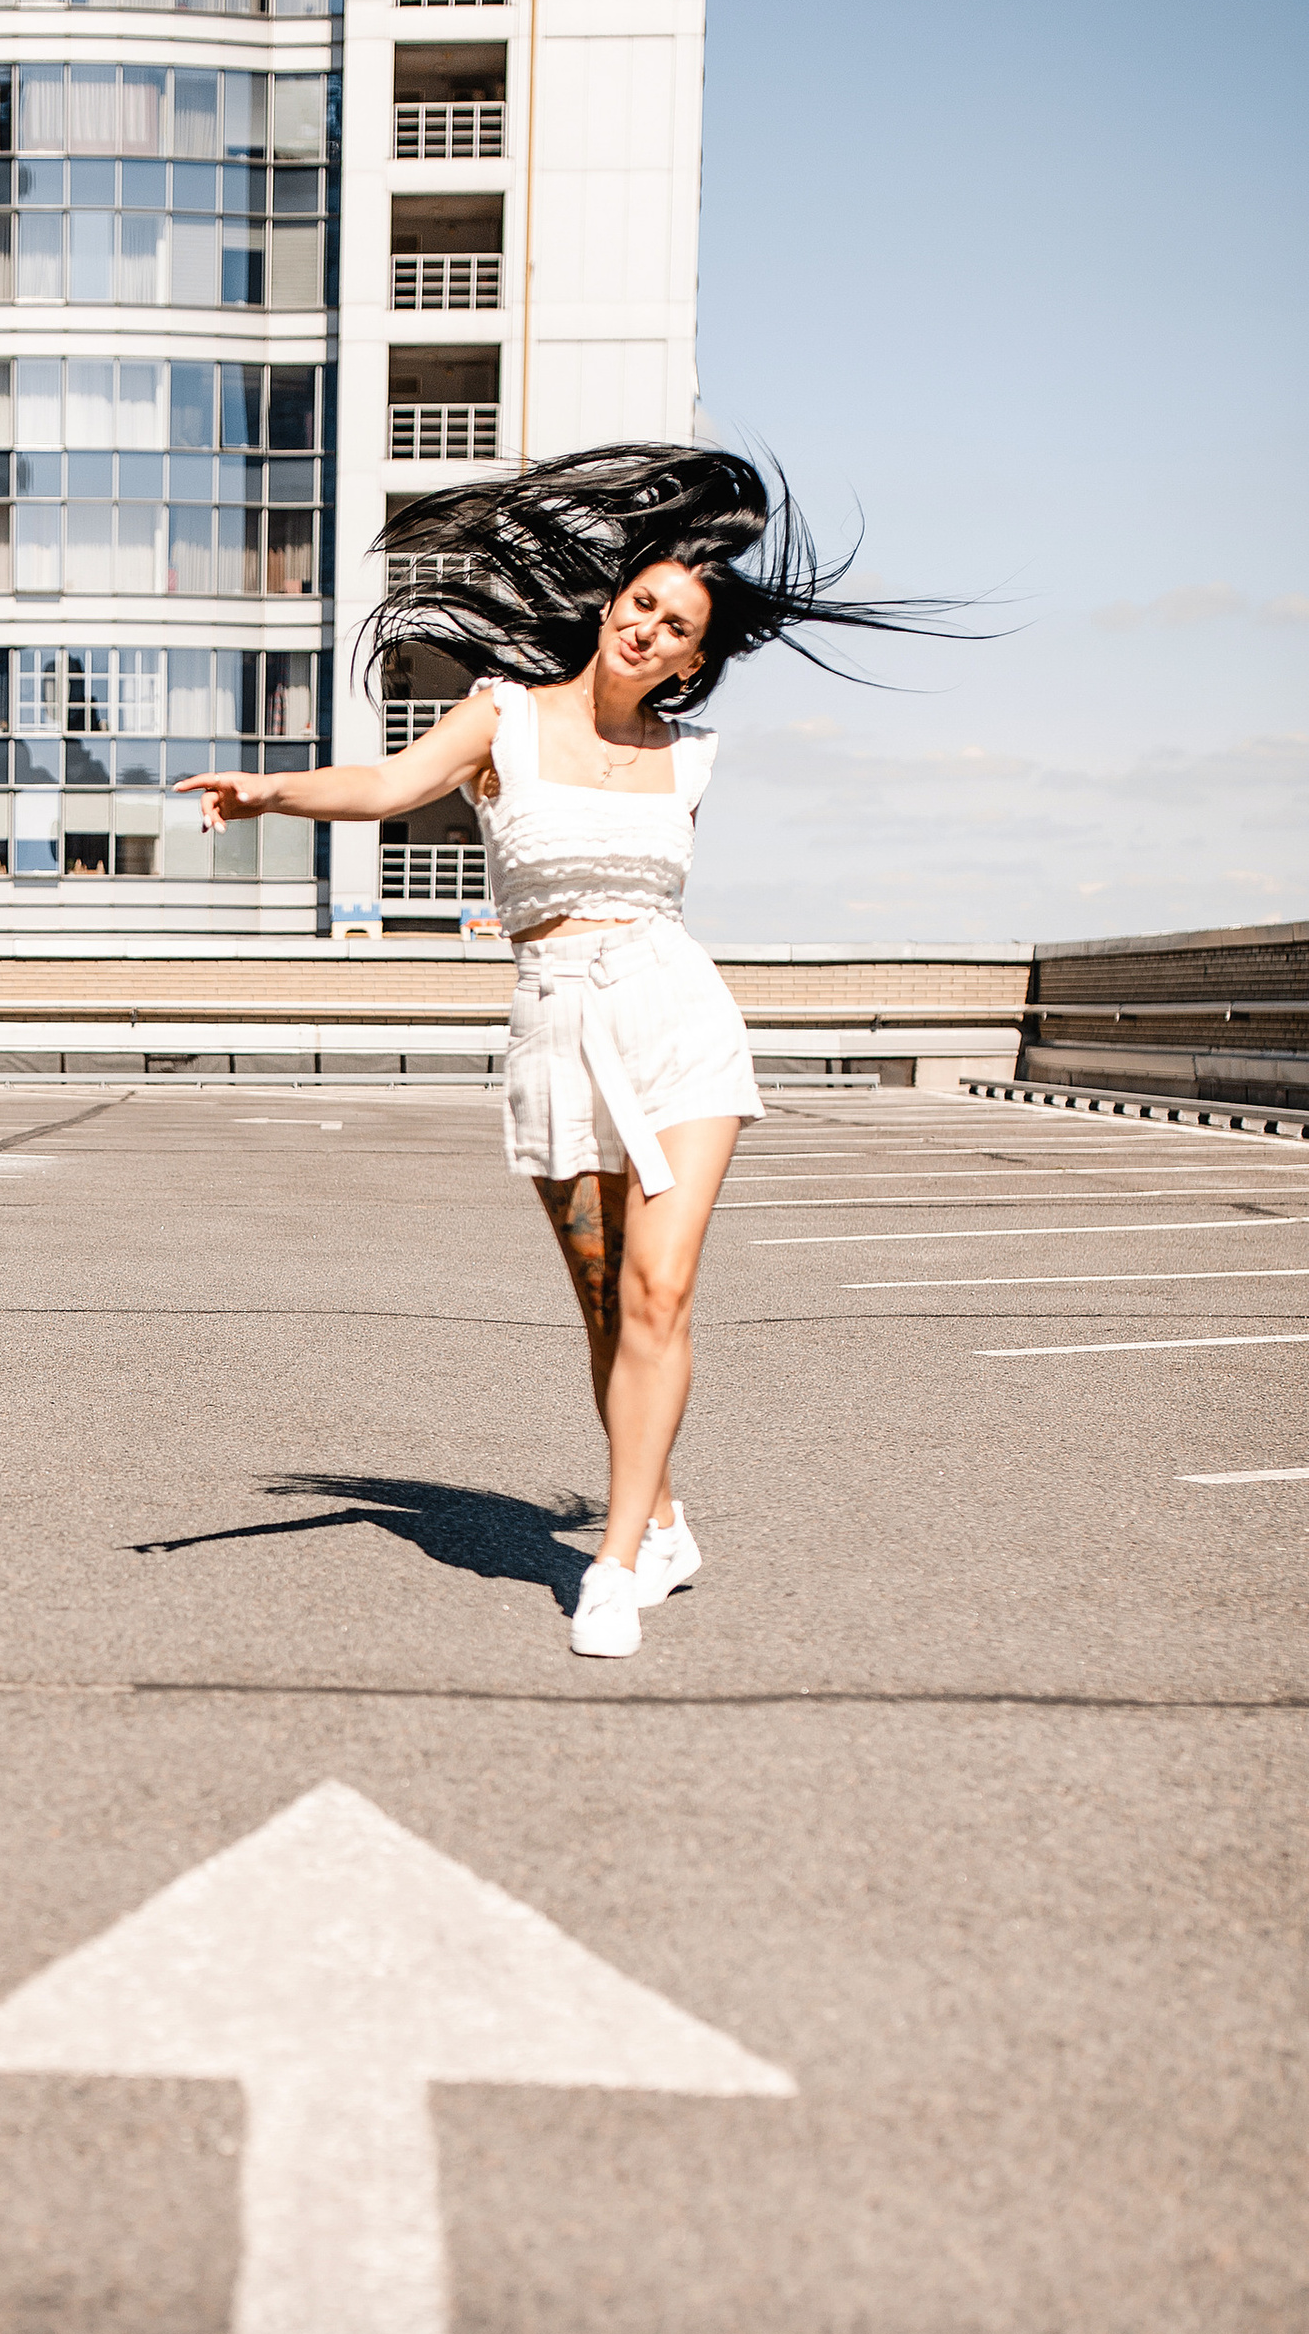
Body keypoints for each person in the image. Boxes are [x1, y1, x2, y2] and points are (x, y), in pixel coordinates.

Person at [177, 444, 946, 1655]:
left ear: (695, 659)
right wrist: (268, 793)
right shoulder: (502, 716)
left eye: (675, 625)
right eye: (640, 603)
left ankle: (616, 1560)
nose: (647, 629)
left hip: (674, 1015)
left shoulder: (689, 761)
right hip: (554, 1027)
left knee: (660, 1291)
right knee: (605, 1313)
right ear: (610, 605)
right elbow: (388, 789)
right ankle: (665, 1514)